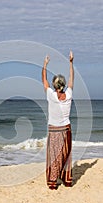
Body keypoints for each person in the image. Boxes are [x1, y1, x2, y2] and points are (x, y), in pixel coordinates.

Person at [42, 51, 74, 189]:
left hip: (54, 129)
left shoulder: (51, 95)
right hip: (66, 129)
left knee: (53, 156)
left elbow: (43, 80)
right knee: (65, 155)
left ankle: (53, 182)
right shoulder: (69, 94)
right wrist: (71, 63)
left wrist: (45, 64)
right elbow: (72, 79)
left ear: (55, 86)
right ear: (64, 85)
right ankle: (66, 180)